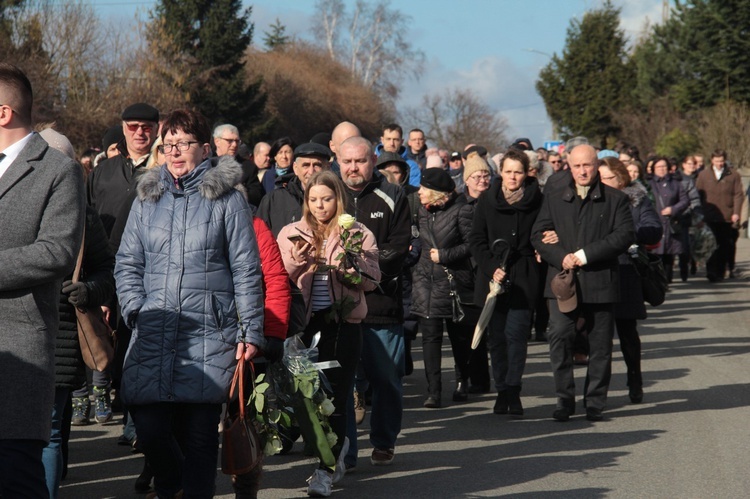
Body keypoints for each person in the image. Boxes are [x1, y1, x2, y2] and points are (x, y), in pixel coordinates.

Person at [114, 109, 265, 497]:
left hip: (209, 334)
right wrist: (135, 309)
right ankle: (173, 486)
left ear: (205, 148)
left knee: (199, 438)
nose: (175, 152)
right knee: (149, 430)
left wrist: (250, 330)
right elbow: (128, 262)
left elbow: (247, 269)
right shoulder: (147, 198)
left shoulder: (227, 200)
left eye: (184, 143)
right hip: (153, 328)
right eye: (168, 145)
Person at [0, 62, 86, 497]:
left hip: (19, 348)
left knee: (15, 477)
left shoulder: (57, 170)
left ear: (3, 113)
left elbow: (56, 252)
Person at [277, 171, 380, 497]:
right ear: (306, 202)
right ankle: (333, 448)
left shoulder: (356, 232)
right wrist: (297, 261)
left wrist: (352, 272)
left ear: (339, 200)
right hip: (304, 327)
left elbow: (373, 278)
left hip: (343, 326)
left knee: (335, 398)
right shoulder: (292, 232)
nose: (320, 206)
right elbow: (278, 277)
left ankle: (326, 468)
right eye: (314, 199)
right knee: (307, 400)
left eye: (327, 198)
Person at [36, 128, 115, 498]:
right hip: (15, 329)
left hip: (63, 332)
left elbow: (106, 269)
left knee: (49, 430)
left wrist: (87, 290)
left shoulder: (83, 215)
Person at [531, 144, 635, 422]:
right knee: (560, 338)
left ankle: (595, 402)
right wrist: (560, 255)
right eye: (576, 166)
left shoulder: (615, 199)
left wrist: (584, 255)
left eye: (587, 165)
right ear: (569, 166)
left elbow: (623, 235)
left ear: (596, 165)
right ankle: (565, 400)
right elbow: (538, 234)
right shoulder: (554, 198)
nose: (582, 171)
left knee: (600, 346)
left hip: (601, 282)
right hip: (562, 283)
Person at [339, 136, 411, 468]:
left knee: (386, 380)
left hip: (382, 305)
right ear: (338, 161)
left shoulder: (394, 195)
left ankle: (383, 441)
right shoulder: (330, 194)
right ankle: (345, 452)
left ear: (373, 160)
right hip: (340, 307)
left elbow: (399, 247)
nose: (353, 168)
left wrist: (364, 271)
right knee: (341, 385)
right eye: (347, 161)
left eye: (361, 161)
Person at [470, 149, 543, 416]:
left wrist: (543, 244)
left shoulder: (537, 199)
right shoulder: (487, 200)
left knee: (517, 336)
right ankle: (501, 389)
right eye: (508, 171)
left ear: (527, 173)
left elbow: (545, 229)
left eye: (518, 172)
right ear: (501, 172)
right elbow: (476, 240)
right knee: (497, 338)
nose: (513, 177)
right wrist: (491, 267)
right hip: (493, 278)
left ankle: (514, 388)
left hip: (524, 275)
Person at [599, 157, 662, 404]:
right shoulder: (593, 200)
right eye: (600, 178)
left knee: (627, 333)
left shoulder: (636, 200)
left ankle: (635, 379)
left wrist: (626, 234)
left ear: (621, 178)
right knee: (599, 336)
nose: (603, 182)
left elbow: (654, 229)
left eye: (608, 178)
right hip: (598, 271)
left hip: (626, 271)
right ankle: (597, 390)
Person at [411, 168, 475, 408]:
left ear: (436, 193)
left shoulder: (463, 210)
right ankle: (433, 391)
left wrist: (446, 255)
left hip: (453, 282)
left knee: (459, 337)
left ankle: (462, 380)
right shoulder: (421, 212)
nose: (419, 192)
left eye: (423, 189)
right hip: (425, 281)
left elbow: (472, 244)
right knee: (430, 337)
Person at [257, 142, 332, 237]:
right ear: (295, 168)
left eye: (317, 165)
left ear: (328, 167)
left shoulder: (339, 197)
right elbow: (259, 238)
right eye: (306, 165)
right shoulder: (273, 200)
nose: (311, 171)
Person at [695, 149, 744, 281]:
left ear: (725, 160)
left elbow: (738, 195)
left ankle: (721, 271)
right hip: (708, 216)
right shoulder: (703, 175)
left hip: (727, 217)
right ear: (712, 160)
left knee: (723, 245)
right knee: (710, 244)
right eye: (717, 161)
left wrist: (736, 213)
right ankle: (711, 271)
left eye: (721, 161)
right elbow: (697, 195)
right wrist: (698, 214)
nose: (719, 164)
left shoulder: (733, 175)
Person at [649, 157, 689, 284]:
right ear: (653, 169)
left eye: (664, 166)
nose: (662, 169)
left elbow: (684, 200)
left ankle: (667, 279)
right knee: (655, 253)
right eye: (659, 167)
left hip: (671, 223)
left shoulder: (675, 183)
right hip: (654, 222)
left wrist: (673, 209)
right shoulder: (648, 183)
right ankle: (656, 280)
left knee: (669, 253)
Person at [213, 123, 263, 207]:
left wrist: (240, 191)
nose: (235, 145)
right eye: (230, 141)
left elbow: (257, 195)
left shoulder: (248, 167)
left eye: (237, 141)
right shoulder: (206, 164)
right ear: (217, 141)